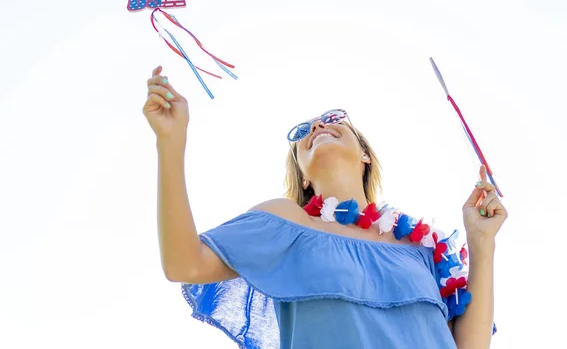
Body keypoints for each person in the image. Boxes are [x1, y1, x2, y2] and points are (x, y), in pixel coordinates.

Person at [143, 66, 507, 349]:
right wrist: (170, 143)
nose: (317, 124)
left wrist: (481, 241)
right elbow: (183, 264)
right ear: (302, 176)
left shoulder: (424, 248)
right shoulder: (287, 222)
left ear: (365, 154)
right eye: (303, 131)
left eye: (332, 120)